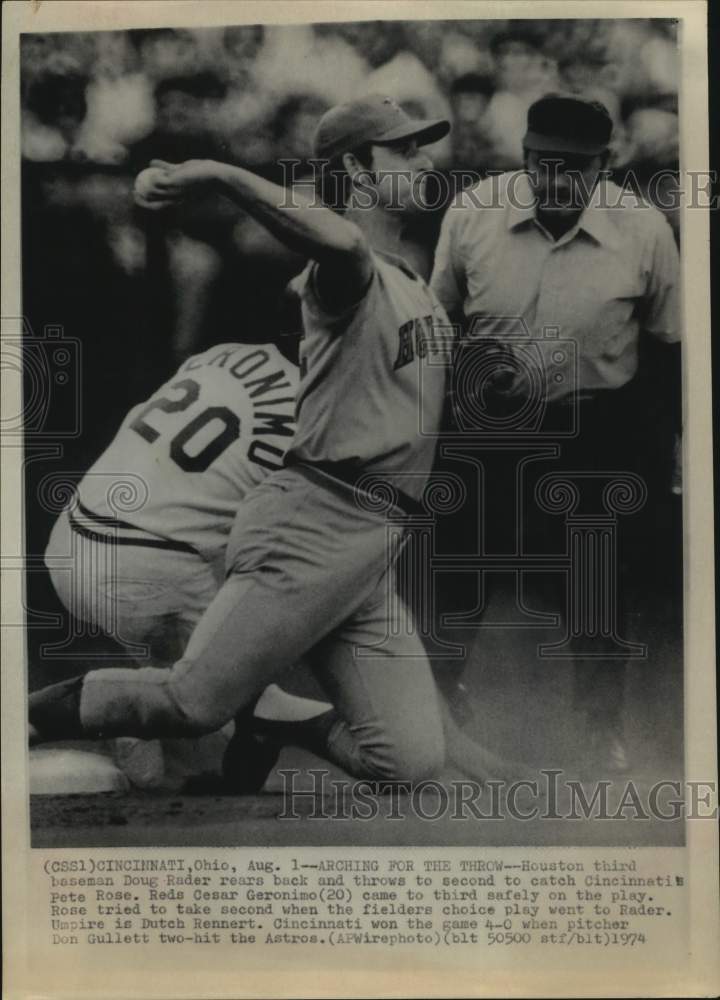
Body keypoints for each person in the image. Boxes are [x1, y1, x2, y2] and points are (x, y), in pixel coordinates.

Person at [30, 95, 459, 786]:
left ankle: (272, 722)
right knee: (193, 704)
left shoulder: (411, 279)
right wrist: (218, 174)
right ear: (353, 166)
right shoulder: (345, 273)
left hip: (376, 531)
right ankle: (26, 718)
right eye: (404, 149)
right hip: (319, 515)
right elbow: (343, 244)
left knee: (409, 760)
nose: (425, 159)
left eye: (421, 146)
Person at [430, 94, 681, 775]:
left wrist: (670, 448)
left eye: (573, 166)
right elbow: (436, 322)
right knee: (457, 568)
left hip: (595, 426)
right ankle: (433, 710)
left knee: (595, 579)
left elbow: (670, 345)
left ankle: (597, 728)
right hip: (484, 422)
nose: (554, 180)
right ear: (524, 157)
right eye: (541, 163)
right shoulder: (473, 211)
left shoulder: (644, 228)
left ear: (606, 163)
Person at [42, 340, 300, 786]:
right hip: (151, 573)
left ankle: (141, 741)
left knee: (171, 659)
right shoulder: (320, 414)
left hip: (67, 539)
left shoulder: (223, 352)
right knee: (251, 697)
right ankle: (130, 720)